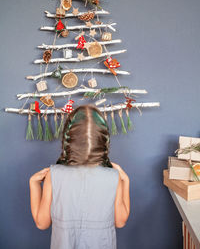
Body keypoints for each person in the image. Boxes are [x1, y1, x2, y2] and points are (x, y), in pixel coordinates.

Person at [29, 104, 130, 249]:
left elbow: (42, 223)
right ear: (103, 140)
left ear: (68, 138)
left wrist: (33, 183)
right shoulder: (113, 177)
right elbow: (120, 221)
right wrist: (125, 181)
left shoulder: (54, 174)